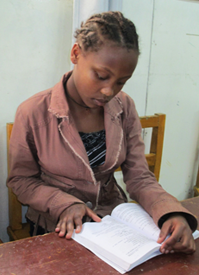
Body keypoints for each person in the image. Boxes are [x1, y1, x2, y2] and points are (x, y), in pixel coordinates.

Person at [7, 11, 197, 255]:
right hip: (55, 228)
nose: (109, 91)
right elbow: (21, 180)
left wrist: (170, 212)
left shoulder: (124, 106)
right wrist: (64, 204)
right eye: (101, 76)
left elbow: (139, 175)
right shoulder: (33, 112)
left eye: (121, 82)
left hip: (113, 223)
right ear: (76, 54)